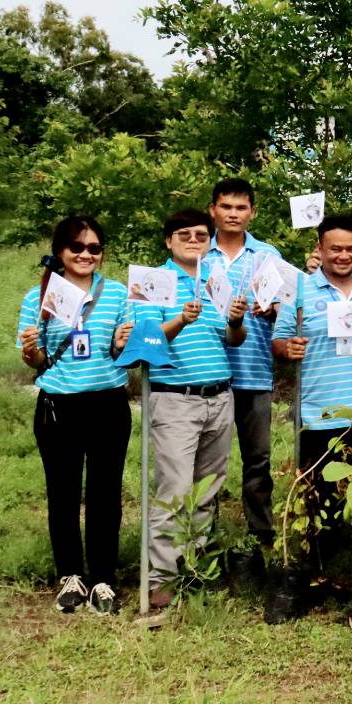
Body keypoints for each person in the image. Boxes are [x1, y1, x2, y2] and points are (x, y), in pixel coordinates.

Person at [133, 209, 249, 609]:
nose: (194, 240)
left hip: (219, 396)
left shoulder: (215, 279)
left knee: (206, 490)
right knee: (175, 490)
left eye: (201, 234)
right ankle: (162, 580)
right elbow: (145, 342)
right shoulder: (153, 282)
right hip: (175, 398)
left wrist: (236, 321)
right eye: (184, 234)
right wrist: (181, 319)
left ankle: (194, 569)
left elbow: (233, 340)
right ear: (169, 241)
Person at [16, 216, 132, 614]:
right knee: (62, 493)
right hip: (58, 406)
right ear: (60, 251)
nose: (85, 255)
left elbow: (123, 355)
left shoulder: (117, 294)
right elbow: (39, 359)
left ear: (102, 253)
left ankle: (102, 578)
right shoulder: (39, 297)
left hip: (108, 404)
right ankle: (70, 575)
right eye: (77, 248)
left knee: (105, 494)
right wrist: (31, 351)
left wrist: (122, 343)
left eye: (94, 248)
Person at [270, 215, 352, 572]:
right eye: (335, 248)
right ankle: (320, 569)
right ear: (319, 249)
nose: (343, 255)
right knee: (318, 501)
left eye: (350, 249)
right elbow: (278, 342)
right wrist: (287, 349)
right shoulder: (302, 292)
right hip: (317, 414)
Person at [205, 177, 283, 551]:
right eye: (226, 207)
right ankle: (205, 536)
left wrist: (272, 310)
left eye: (241, 208)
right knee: (208, 464)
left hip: (254, 372)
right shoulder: (198, 254)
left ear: (252, 212)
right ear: (213, 210)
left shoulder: (268, 256)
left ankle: (262, 535)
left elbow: (286, 312)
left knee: (257, 461)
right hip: (207, 372)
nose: (233, 214)